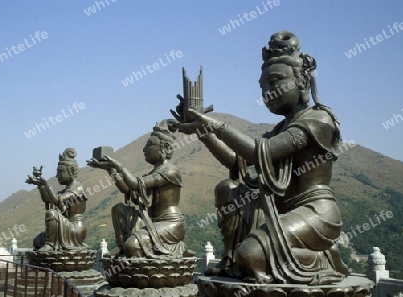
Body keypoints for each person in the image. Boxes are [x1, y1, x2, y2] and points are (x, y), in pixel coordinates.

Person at [172, 31, 349, 285]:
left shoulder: (318, 120)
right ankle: (233, 257)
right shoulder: (280, 130)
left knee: (252, 256)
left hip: (314, 213)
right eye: (263, 86)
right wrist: (202, 131)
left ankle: (324, 257)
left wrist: (214, 125)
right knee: (228, 189)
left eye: (275, 81)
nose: (267, 91)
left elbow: (258, 152)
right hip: (281, 210)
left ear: (301, 81)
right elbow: (238, 163)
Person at [87, 119, 192, 259]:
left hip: (169, 224)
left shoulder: (170, 171)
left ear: (164, 147)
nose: (144, 150)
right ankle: (121, 246)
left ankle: (141, 262)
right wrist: (110, 169)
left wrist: (119, 166)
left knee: (133, 245)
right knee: (118, 209)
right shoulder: (154, 173)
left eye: (149, 145)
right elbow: (128, 190)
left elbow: (135, 184)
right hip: (151, 221)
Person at [26, 148, 88, 252]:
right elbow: (48, 199)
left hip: (75, 228)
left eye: (60, 172)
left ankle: (51, 244)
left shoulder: (77, 188)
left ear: (71, 171)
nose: (57, 176)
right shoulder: (65, 190)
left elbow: (57, 200)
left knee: (51, 213)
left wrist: (46, 184)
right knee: (36, 242)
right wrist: (40, 186)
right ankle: (51, 243)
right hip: (64, 226)